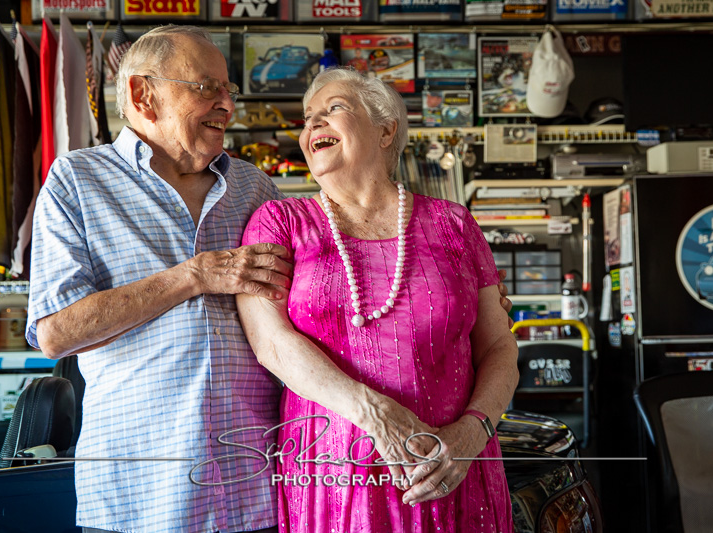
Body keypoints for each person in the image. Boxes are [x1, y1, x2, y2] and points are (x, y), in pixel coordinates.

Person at [25, 25, 292, 533]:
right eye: (207, 87)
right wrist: (193, 276)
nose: (226, 105)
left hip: (255, 488)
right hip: (138, 496)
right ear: (143, 95)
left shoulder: (255, 188)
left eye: (229, 90)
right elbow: (57, 333)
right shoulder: (78, 180)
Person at [236, 68, 519, 532]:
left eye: (334, 108)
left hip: (455, 465)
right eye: (307, 118)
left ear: (386, 130)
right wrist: (374, 413)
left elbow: (499, 346)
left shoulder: (454, 224)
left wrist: (474, 431)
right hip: (334, 473)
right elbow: (271, 343)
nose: (313, 124)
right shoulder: (279, 222)